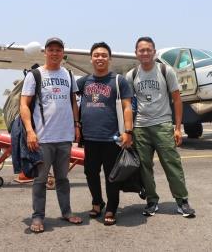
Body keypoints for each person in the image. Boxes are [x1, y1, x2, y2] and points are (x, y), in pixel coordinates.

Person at [126, 36, 195, 218]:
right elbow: (128, 106)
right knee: (144, 167)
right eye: (142, 50)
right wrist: (128, 131)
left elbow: (177, 99)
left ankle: (182, 201)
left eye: (149, 49)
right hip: (141, 127)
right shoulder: (131, 75)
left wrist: (178, 127)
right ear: (136, 54)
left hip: (163, 125)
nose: (145, 53)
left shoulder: (166, 71)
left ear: (154, 52)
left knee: (172, 164)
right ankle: (151, 201)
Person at [20, 37, 82, 233]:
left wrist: (76, 125)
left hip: (64, 137)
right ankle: (38, 216)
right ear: (45, 52)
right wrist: (30, 131)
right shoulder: (35, 75)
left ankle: (66, 211)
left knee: (63, 178)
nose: (55, 53)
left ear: (63, 53)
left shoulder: (69, 75)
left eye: (58, 50)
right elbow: (24, 104)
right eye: (51, 49)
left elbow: (73, 101)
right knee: (40, 180)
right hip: (42, 138)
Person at [77, 42, 133, 226]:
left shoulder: (119, 81)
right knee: (90, 173)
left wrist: (128, 131)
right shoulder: (83, 82)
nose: (100, 58)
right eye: (96, 55)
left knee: (111, 175)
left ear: (110, 58)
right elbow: (66, 97)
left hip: (112, 138)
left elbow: (127, 107)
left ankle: (111, 207)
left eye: (103, 55)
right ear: (91, 59)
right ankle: (97, 202)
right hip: (90, 138)